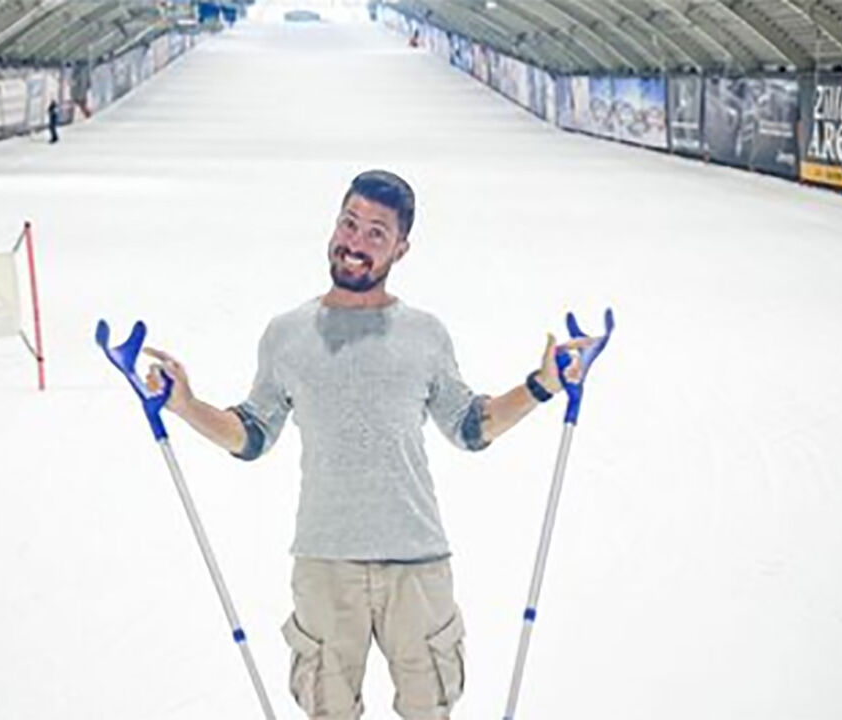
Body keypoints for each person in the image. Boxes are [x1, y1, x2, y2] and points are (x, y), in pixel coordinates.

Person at [142, 170, 603, 720]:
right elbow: (252, 434)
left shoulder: (424, 334)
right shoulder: (286, 334)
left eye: (376, 233)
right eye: (349, 223)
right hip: (325, 563)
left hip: (417, 562)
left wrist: (543, 384)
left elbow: (470, 426)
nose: (355, 242)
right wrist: (186, 405)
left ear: (401, 248)